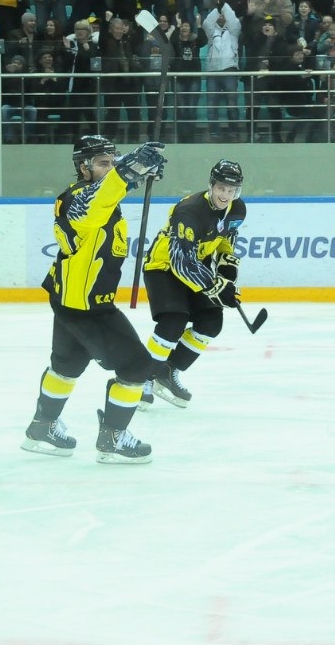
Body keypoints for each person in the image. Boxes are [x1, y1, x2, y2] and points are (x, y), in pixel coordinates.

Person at [19, 135, 167, 464]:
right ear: (83, 167)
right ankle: (113, 437)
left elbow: (108, 192)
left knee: (67, 365)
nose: (110, 168)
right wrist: (130, 171)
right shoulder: (79, 199)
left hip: (71, 300)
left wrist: (136, 173)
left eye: (113, 162)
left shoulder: (97, 195)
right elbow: (98, 198)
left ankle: (42, 426)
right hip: (88, 306)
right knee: (137, 366)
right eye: (103, 163)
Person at [140, 160, 247, 409]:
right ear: (211, 185)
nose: (225, 195)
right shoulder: (189, 211)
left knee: (211, 322)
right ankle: (142, 376)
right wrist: (216, 288)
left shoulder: (237, 209)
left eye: (231, 190)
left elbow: (225, 240)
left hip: (196, 266)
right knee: (173, 321)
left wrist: (227, 276)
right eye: (221, 188)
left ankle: (168, 372)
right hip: (164, 267)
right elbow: (181, 262)